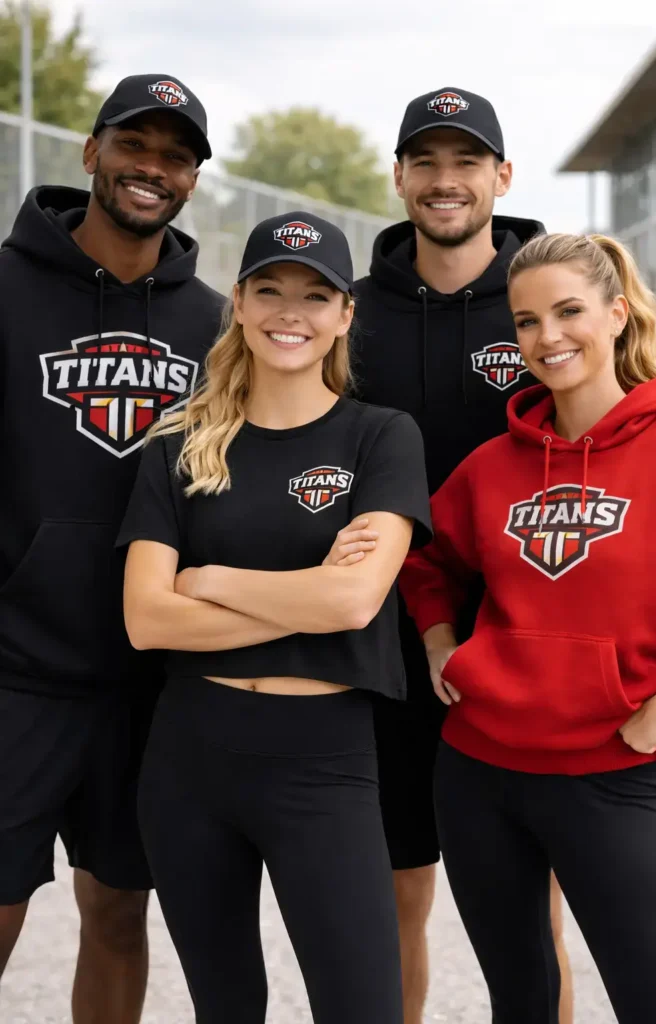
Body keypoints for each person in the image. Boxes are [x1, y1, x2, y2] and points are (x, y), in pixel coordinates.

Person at [117, 211, 432, 1024]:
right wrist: (304, 597)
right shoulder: (180, 447)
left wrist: (211, 578)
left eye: (314, 295)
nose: (290, 311)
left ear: (343, 315)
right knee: (224, 1007)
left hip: (323, 764)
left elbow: (354, 600)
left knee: (361, 1005)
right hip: (190, 759)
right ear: (240, 304)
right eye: (269, 290)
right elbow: (147, 620)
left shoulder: (380, 438)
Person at [400, 232, 656, 1024]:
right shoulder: (494, 464)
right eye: (526, 321)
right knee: (519, 1001)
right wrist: (438, 642)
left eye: (567, 312)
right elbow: (425, 560)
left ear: (617, 314)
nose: (547, 337)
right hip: (478, 772)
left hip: (609, 772)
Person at [0, 74, 223, 1022]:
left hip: (145, 679)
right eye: (135, 145)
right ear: (91, 153)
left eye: (176, 156)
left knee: (121, 909)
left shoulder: (215, 323)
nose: (152, 168)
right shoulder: (5, 288)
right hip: (14, 671)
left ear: (193, 181)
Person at [351, 86, 572, 1022]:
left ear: (502, 176)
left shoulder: (547, 306)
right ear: (399, 177)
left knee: (530, 907)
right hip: (379, 640)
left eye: (466, 162)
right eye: (426, 163)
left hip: (523, 637)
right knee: (396, 895)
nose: (446, 182)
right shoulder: (347, 313)